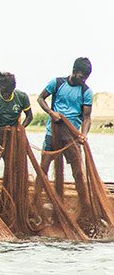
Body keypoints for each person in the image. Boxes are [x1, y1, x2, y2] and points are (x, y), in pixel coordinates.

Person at [36, 57, 93, 205]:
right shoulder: (57, 83)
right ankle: (35, 202)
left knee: (78, 172)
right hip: (52, 133)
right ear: (74, 72)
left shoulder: (86, 91)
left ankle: (84, 206)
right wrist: (50, 112)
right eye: (81, 77)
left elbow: (87, 117)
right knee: (43, 167)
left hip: (72, 137)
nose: (84, 80)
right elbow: (41, 98)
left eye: (86, 78)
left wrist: (84, 135)